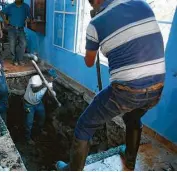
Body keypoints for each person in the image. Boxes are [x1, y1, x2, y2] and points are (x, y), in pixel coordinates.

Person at [56, 0, 165, 171]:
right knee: (132, 117)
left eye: (92, 4)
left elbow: (89, 62)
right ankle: (129, 159)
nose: (93, 7)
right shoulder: (142, 4)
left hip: (127, 91)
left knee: (84, 125)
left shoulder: (96, 23)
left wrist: (95, 37)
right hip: (157, 87)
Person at [23, 71, 58, 145]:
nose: (54, 80)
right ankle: (27, 138)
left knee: (42, 118)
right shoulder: (35, 78)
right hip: (28, 104)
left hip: (38, 103)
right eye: (53, 78)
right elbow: (34, 89)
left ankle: (39, 131)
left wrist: (52, 93)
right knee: (29, 122)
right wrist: (43, 85)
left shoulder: (49, 82)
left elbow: (49, 92)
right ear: (49, 76)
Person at [1, 0, 31, 66]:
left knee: (23, 44)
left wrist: (28, 19)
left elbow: (30, 16)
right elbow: (1, 12)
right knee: (12, 45)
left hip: (21, 29)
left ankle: (20, 59)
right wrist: (5, 20)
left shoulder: (26, 6)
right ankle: (14, 60)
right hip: (11, 28)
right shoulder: (10, 6)